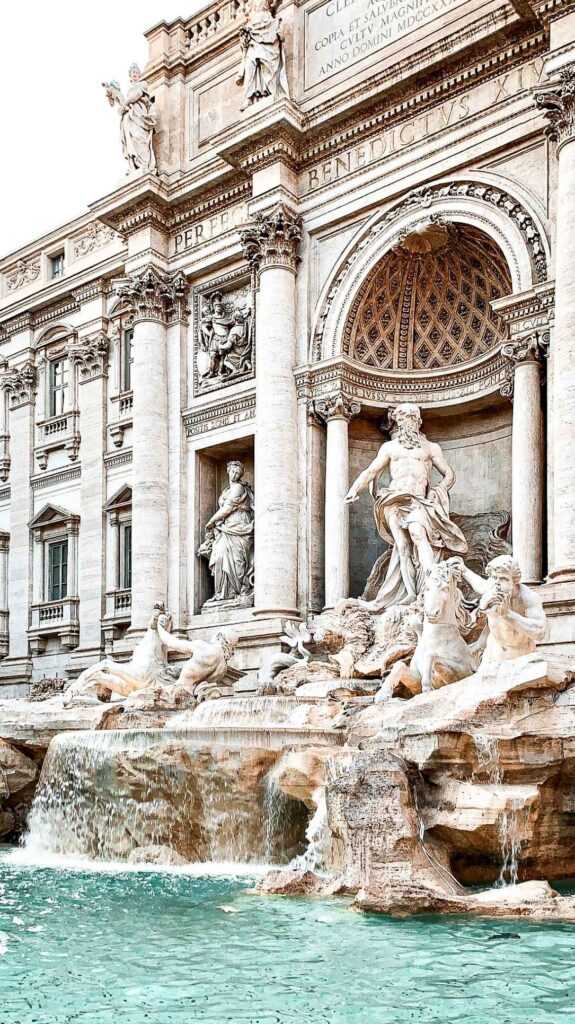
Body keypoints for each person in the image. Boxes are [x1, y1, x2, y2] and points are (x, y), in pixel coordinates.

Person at [344, 403, 467, 609]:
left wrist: (439, 491)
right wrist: (354, 489)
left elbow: (449, 474)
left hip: (417, 501)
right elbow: (371, 472)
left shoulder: (430, 448)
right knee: (401, 546)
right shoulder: (390, 448)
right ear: (397, 422)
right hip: (393, 499)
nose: (406, 421)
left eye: (411, 417)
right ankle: (410, 593)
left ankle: (432, 584)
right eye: (402, 418)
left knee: (418, 534)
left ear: (418, 421)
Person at [452, 554, 546, 667]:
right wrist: (463, 570)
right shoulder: (493, 587)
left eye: (503, 579)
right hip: (493, 656)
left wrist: (508, 614)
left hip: (521, 657)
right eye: (494, 577)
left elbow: (539, 632)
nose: (497, 584)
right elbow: (480, 584)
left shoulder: (528, 597)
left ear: (514, 581)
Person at [198, 461, 255, 603]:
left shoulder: (239, 488)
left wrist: (211, 522)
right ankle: (221, 593)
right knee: (219, 557)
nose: (235, 474)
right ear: (228, 471)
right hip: (226, 528)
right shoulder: (225, 491)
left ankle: (236, 591)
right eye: (233, 471)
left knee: (237, 560)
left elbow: (227, 508)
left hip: (240, 526)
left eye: (238, 472)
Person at [103, 65, 157, 175]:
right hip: (130, 117)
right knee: (130, 140)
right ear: (130, 76)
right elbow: (117, 102)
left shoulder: (143, 84)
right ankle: (134, 166)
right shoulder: (128, 92)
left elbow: (137, 95)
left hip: (139, 116)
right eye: (133, 72)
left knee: (139, 137)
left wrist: (125, 104)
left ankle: (144, 165)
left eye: (137, 71)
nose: (135, 73)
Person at [236, 0, 290, 110]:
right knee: (250, 64)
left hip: (267, 25)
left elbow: (277, 3)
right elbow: (246, 14)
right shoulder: (248, 4)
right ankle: (249, 97)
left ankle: (269, 91)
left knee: (267, 62)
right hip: (253, 28)